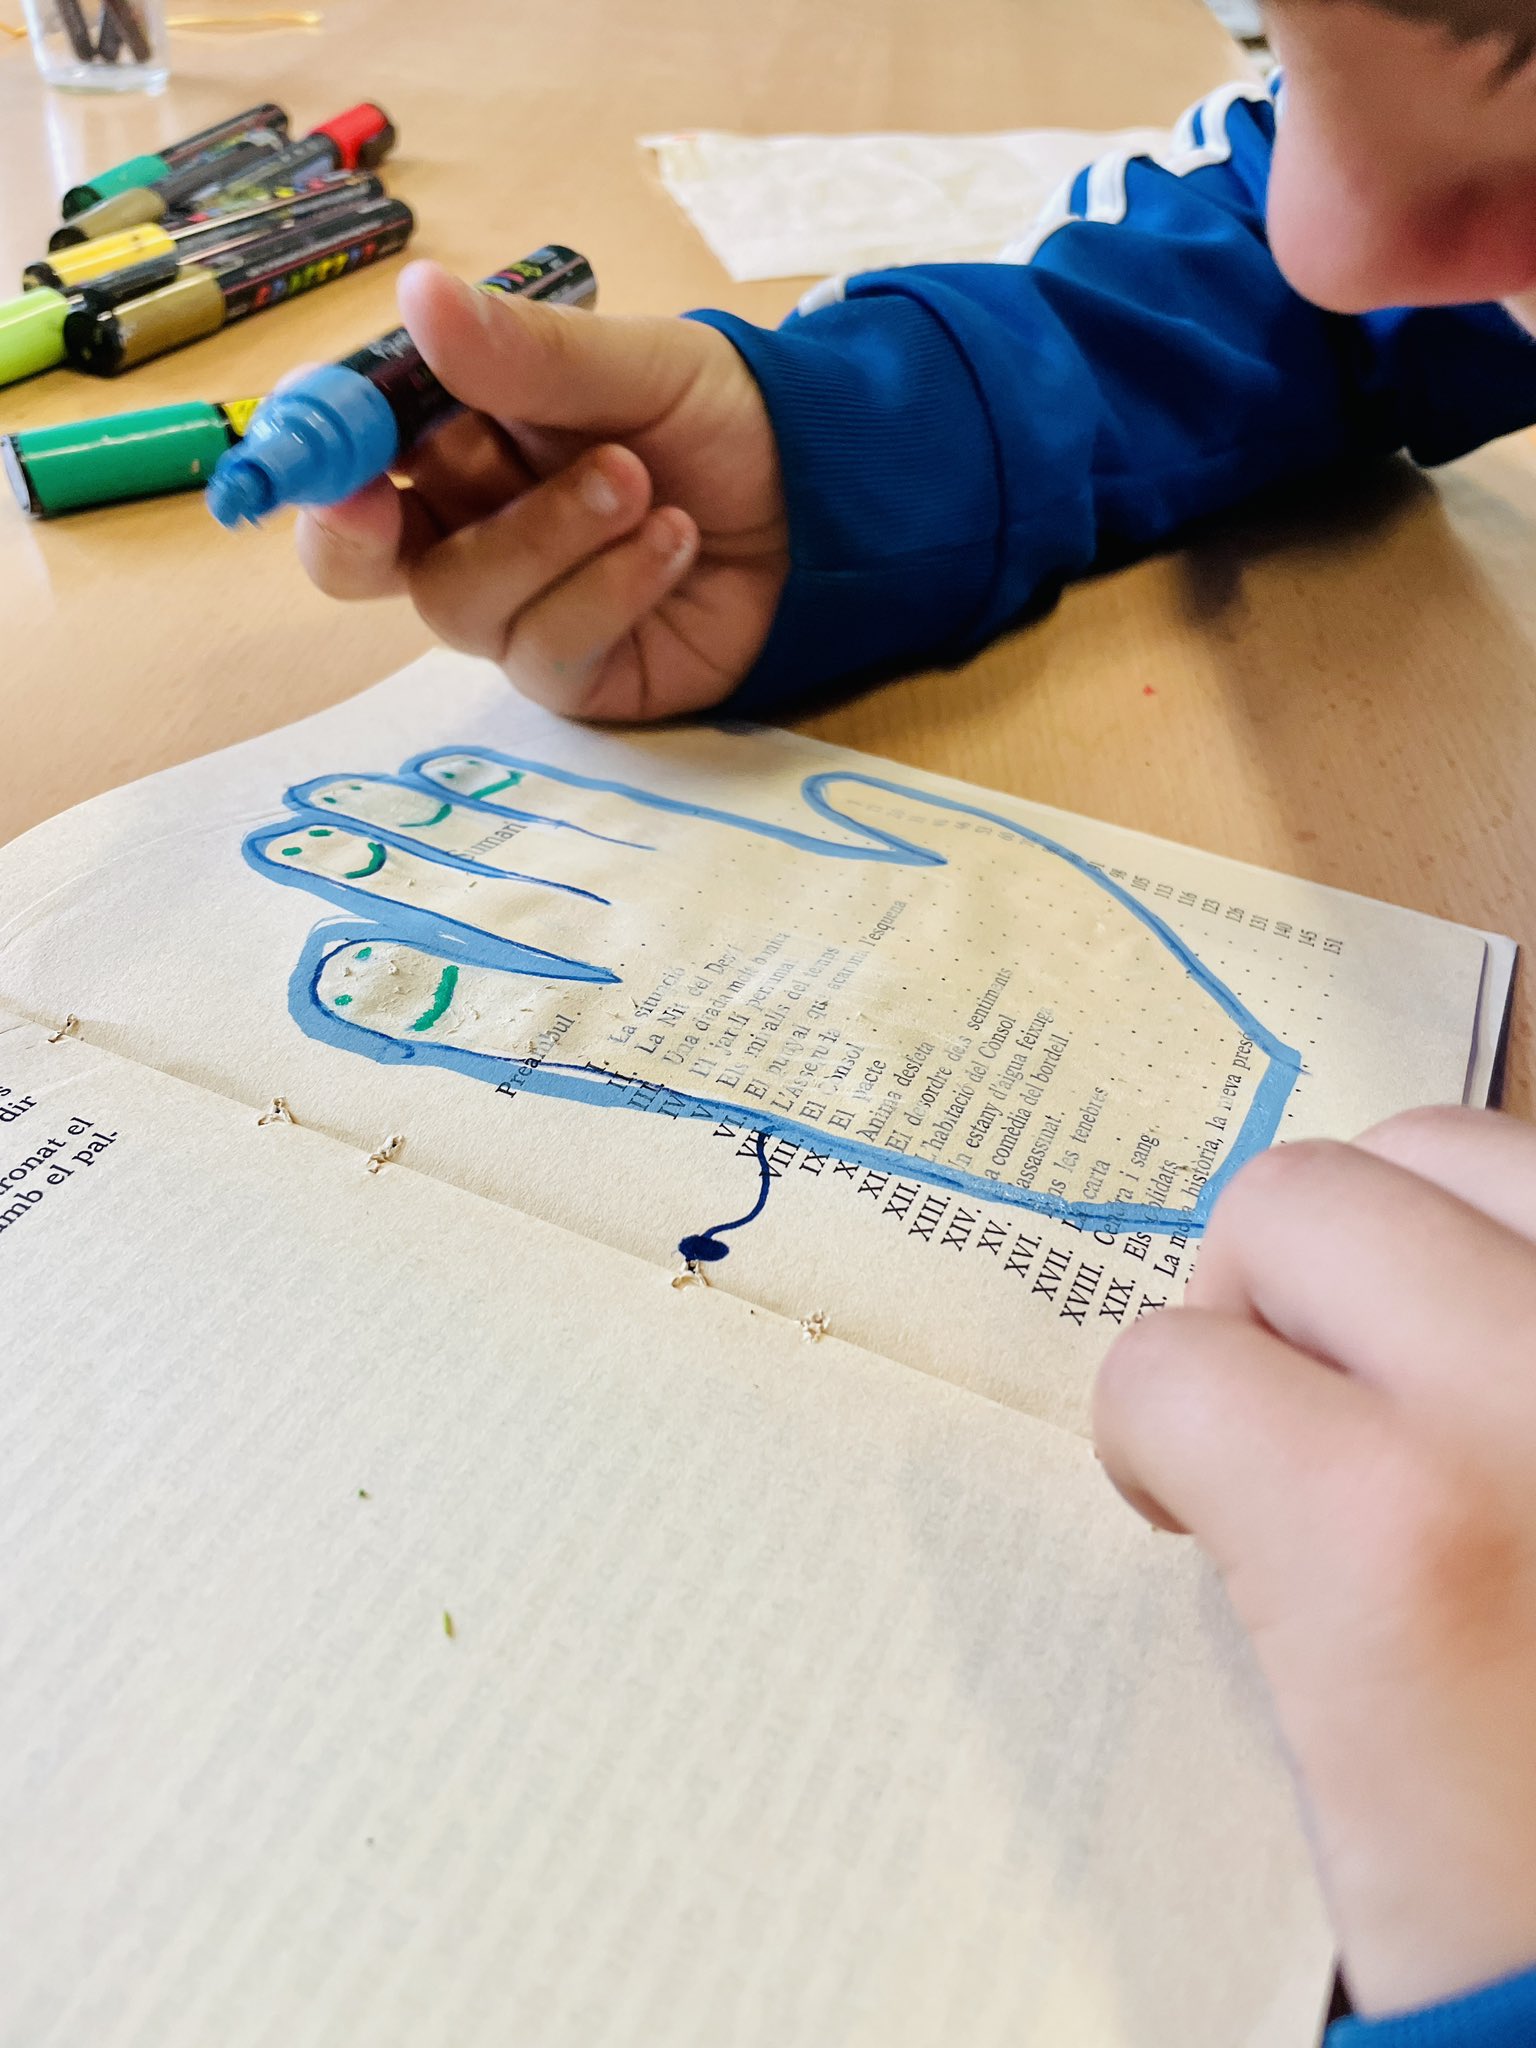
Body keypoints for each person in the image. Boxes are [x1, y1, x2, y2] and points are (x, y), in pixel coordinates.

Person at [296, 3, 1536, 2037]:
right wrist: (855, 469)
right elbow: (1291, 280)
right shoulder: (1394, 216)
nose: (1339, 225)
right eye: (1269, 28)